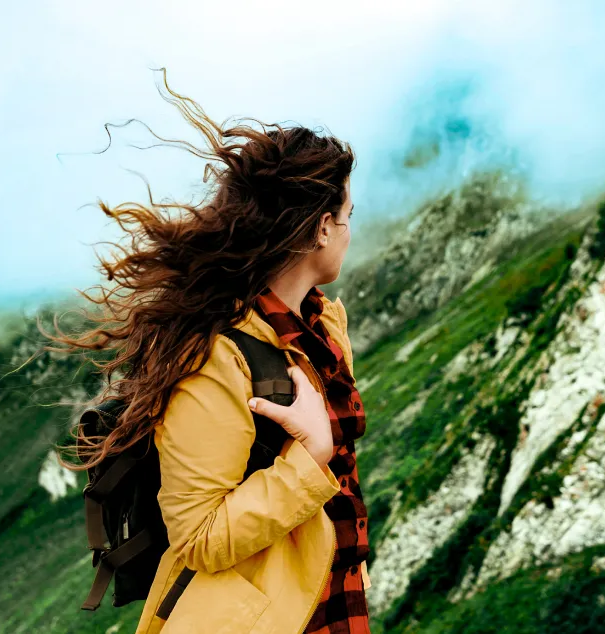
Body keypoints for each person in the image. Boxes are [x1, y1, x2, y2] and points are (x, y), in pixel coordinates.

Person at [43, 77, 371, 634]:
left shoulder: (320, 329)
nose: (349, 232)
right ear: (322, 228)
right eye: (347, 216)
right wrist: (310, 455)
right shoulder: (218, 356)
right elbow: (198, 535)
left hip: (330, 601)